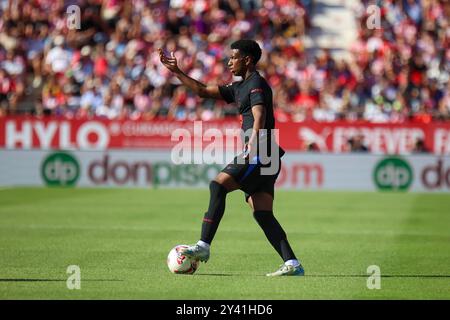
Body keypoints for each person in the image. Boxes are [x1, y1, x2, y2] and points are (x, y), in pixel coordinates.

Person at [159, 40, 304, 276]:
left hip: (261, 150)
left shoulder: (256, 84)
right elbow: (202, 91)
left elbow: (260, 113)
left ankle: (204, 246)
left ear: (247, 59)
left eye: (233, 57)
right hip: (268, 154)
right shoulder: (239, 87)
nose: (229, 62)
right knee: (262, 213)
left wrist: (253, 141)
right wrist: (177, 71)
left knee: (218, 185)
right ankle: (293, 264)